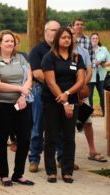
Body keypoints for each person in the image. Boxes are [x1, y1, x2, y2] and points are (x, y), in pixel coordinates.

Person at [0, 30, 34, 187]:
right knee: (2, 141)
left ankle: (18, 174)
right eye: (6, 41)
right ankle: (4, 175)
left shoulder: (20, 57)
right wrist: (19, 89)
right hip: (2, 105)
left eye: (12, 41)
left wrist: (23, 95)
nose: (10, 43)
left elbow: (29, 78)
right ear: (0, 43)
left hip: (22, 104)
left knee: (24, 139)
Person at [42, 27, 85, 183]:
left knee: (69, 136)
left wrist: (67, 95)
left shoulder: (76, 57)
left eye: (69, 37)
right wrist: (64, 100)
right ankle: (51, 171)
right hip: (52, 101)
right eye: (63, 37)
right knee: (51, 137)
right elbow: (51, 82)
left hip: (71, 100)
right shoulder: (49, 57)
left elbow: (80, 80)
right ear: (57, 40)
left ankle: (67, 171)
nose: (67, 40)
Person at [28, 21, 62, 173]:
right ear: (46, 31)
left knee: (60, 127)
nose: (56, 33)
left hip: (61, 94)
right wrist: (56, 85)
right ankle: (34, 159)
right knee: (38, 126)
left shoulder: (63, 49)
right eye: (53, 30)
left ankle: (62, 158)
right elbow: (37, 73)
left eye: (58, 30)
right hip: (42, 92)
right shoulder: (38, 50)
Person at [69, 29, 108, 163]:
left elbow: (89, 71)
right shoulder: (59, 52)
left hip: (81, 93)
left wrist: (80, 87)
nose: (71, 36)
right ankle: (65, 156)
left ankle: (92, 151)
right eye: (68, 34)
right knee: (66, 126)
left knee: (87, 122)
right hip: (65, 93)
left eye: (73, 33)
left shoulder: (83, 51)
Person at [88, 32, 110, 116]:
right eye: (93, 38)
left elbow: (109, 60)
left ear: (98, 39)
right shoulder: (87, 50)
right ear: (90, 40)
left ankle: (106, 114)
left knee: (103, 95)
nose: (95, 40)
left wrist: (105, 64)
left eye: (96, 38)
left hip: (101, 76)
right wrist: (93, 63)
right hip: (90, 76)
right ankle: (89, 116)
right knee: (89, 96)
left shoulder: (103, 49)